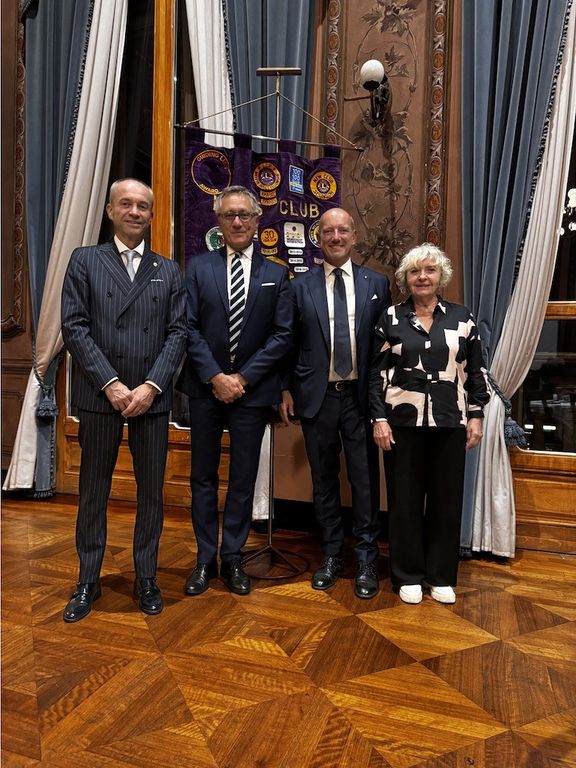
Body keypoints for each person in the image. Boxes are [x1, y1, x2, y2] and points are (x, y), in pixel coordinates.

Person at [60, 178, 187, 622]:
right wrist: (111, 383)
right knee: (93, 491)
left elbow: (178, 333)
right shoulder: (84, 260)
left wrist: (152, 386)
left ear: (151, 215)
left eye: (143, 206)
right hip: (101, 396)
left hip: (152, 398)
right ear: (110, 211)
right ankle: (87, 580)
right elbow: (74, 327)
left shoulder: (168, 270)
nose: (135, 212)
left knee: (151, 494)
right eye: (126, 204)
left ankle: (146, 577)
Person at [178, 185, 293, 596]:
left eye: (245, 214)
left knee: (242, 478)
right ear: (219, 222)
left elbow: (282, 336)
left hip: (253, 393)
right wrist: (216, 376)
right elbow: (187, 327)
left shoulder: (277, 274)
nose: (238, 221)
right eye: (230, 215)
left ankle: (232, 557)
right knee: (203, 477)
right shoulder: (198, 268)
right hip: (205, 389)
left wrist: (241, 378)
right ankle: (204, 559)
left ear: (258, 220)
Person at [369, 243, 489, 604]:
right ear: (405, 278)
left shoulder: (462, 318)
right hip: (401, 423)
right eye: (415, 271)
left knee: (446, 501)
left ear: (441, 276)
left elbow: (476, 371)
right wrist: (378, 418)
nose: (422, 277)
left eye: (430, 270)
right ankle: (407, 575)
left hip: (449, 421)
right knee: (404, 500)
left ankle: (440, 576)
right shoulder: (390, 318)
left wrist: (477, 415)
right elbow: (375, 375)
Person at [280, 208, 391, 599]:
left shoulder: (377, 284)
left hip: (360, 399)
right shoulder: (299, 287)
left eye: (343, 230)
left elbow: (384, 347)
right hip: (318, 398)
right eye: (328, 231)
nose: (336, 237)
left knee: (364, 481)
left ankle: (366, 560)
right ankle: (331, 555)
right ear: (319, 238)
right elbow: (288, 343)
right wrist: (286, 389)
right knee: (324, 481)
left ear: (354, 236)